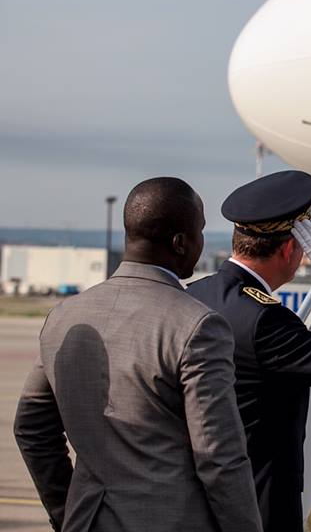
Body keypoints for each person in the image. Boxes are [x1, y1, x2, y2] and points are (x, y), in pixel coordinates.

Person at [14, 177, 261, 532]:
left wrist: (66, 510)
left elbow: (32, 428)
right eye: (201, 230)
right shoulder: (197, 325)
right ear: (180, 243)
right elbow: (218, 456)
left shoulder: (64, 315)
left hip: (86, 519)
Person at [187, 170, 311, 532]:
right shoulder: (264, 319)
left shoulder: (193, 296)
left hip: (194, 498)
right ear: (292, 248)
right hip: (260, 502)